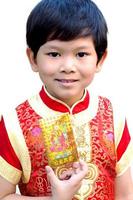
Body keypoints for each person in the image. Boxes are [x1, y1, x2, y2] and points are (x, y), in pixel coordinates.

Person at [0, 0, 133, 199]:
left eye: (81, 54)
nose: (68, 66)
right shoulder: (14, 124)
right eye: (54, 54)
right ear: (33, 59)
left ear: (100, 59)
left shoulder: (113, 116)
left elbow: (125, 194)